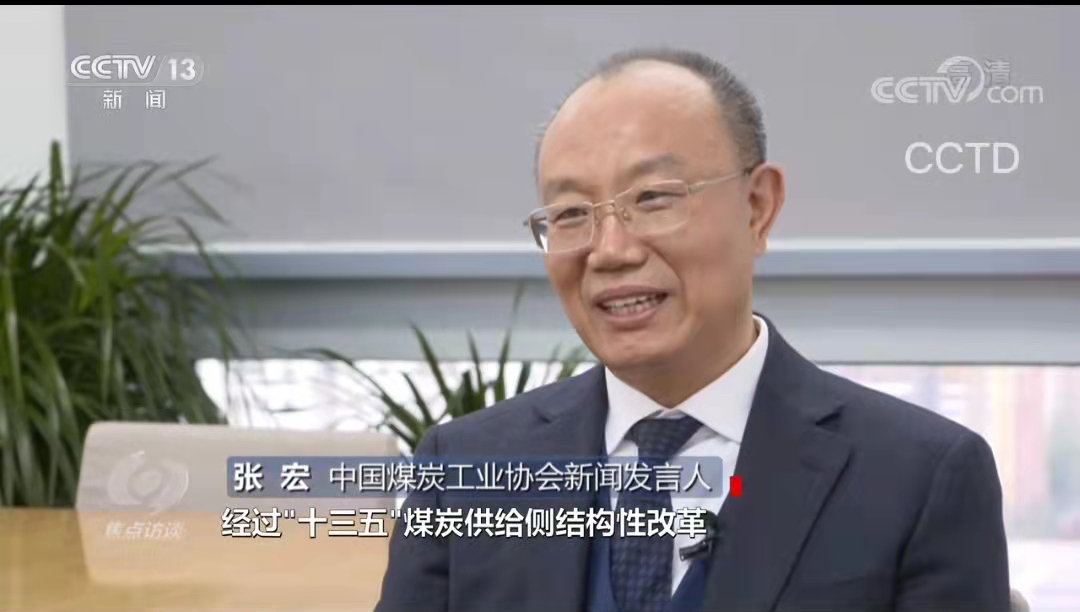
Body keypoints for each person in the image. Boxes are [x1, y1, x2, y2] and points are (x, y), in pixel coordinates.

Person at [375, 47, 1010, 612]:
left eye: (653, 199)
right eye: (570, 214)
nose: (610, 251)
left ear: (757, 209)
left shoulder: (921, 477)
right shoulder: (463, 469)